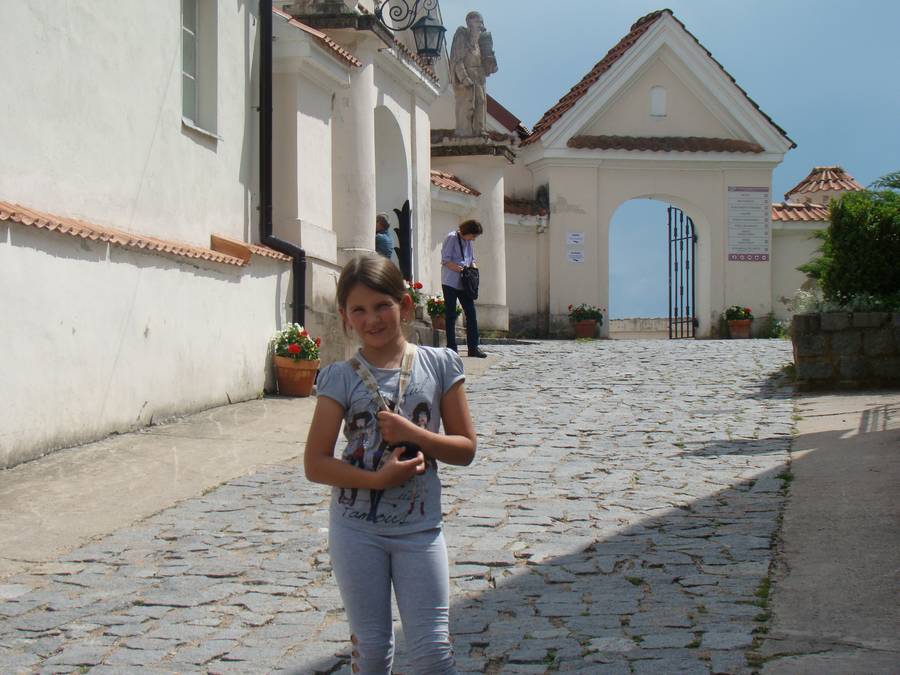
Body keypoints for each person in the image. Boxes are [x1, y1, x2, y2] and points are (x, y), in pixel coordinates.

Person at [305, 255, 476, 674]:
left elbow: (465, 448)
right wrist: (377, 480)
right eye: (359, 310)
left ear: (405, 305)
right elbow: (315, 463)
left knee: (433, 652)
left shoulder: (439, 365)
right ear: (345, 317)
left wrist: (414, 434)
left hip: (420, 529)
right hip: (356, 531)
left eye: (382, 306)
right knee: (372, 651)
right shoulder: (340, 378)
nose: (372, 319)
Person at [440, 219, 487, 358]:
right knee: (451, 315)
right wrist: (461, 269)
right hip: (450, 281)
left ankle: (473, 347)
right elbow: (446, 260)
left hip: (464, 283)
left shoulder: (468, 242)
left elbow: (471, 260)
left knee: (471, 314)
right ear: (467, 231)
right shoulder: (452, 238)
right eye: (473, 235)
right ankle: (452, 348)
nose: (474, 239)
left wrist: (473, 271)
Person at [449, 11, 498, 136]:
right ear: (469, 23)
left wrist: (490, 63)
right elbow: (457, 60)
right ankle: (465, 132)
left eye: (481, 22)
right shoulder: (462, 37)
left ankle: (479, 130)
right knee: (467, 105)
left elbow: (486, 64)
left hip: (479, 77)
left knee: (481, 102)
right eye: (477, 22)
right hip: (468, 77)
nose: (480, 25)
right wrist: (464, 78)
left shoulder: (480, 41)